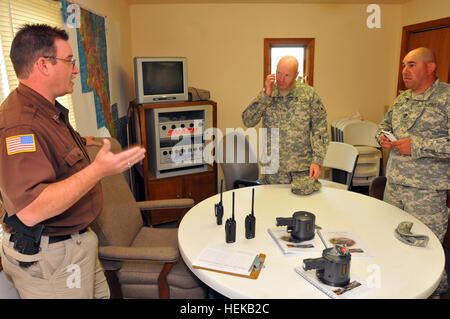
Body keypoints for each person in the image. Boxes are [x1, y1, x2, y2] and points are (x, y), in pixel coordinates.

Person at [0, 24, 146, 298]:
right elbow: (31, 209)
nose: (76, 69)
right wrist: (98, 170)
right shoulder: (18, 126)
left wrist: (90, 141)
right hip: (53, 257)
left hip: (78, 242)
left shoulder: (47, 110)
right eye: (69, 61)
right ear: (43, 65)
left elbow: (57, 147)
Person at [375, 47, 449, 297]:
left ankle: (435, 292)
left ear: (430, 68)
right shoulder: (402, 98)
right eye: (404, 65)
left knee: (425, 249)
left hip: (426, 192)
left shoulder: (446, 97)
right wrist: (382, 136)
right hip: (395, 184)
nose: (405, 71)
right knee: (392, 242)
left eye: (412, 65)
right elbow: (384, 124)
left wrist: (416, 146)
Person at [242, 56, 329, 195]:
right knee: (273, 210)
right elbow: (248, 120)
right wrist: (266, 95)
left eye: (287, 75)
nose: (281, 79)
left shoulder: (308, 95)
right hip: (274, 172)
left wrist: (317, 161)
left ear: (296, 75)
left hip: (302, 171)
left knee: (303, 211)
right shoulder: (268, 93)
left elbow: (320, 129)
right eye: (278, 73)